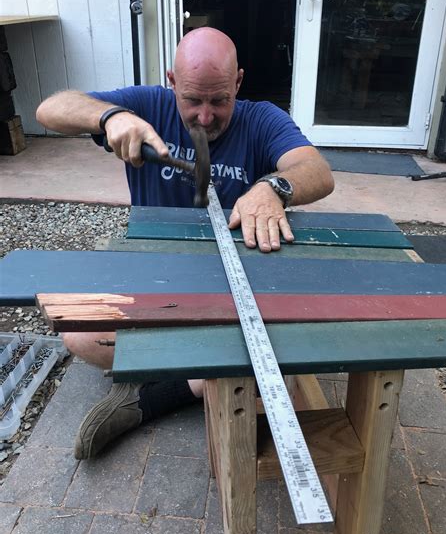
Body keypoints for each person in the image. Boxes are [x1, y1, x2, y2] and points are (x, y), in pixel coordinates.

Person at [36, 28, 334, 460]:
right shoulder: (147, 106)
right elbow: (50, 108)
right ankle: (206, 375)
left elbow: (317, 170)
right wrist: (110, 118)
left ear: (238, 83)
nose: (206, 116)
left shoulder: (263, 119)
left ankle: (151, 395)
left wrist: (274, 186)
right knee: (80, 335)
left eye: (219, 100)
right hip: (157, 278)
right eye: (193, 100)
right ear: (172, 81)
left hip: (236, 288)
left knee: (280, 363)